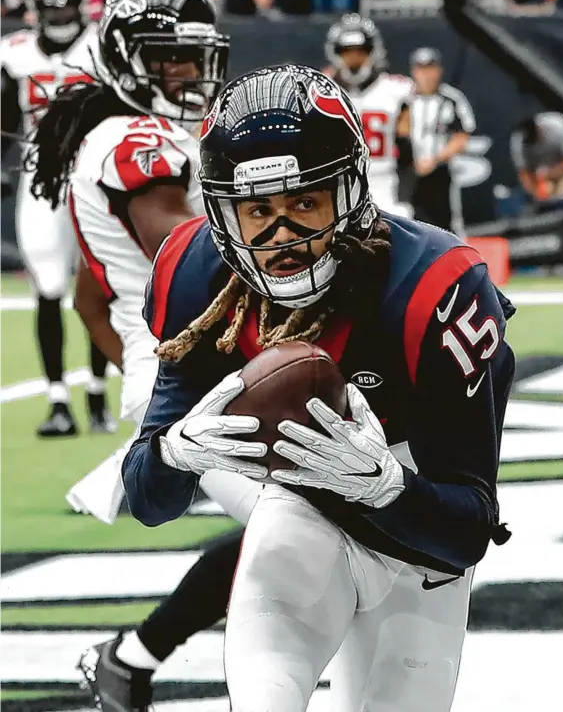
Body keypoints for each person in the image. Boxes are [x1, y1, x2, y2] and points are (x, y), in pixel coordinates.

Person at [120, 64, 515, 712]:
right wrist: (175, 452)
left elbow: (465, 527)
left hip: (418, 529)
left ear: (351, 190)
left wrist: (386, 484)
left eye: (304, 201)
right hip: (305, 498)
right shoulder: (196, 277)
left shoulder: (431, 287)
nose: (283, 236)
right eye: (257, 211)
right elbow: (149, 499)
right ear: (223, 215)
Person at [29, 0, 260, 712]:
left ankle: (131, 657)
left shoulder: (134, 132)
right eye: (170, 59)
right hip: (200, 379)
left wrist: (141, 352)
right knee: (309, 536)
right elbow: (195, 256)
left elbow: (88, 298)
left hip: (194, 368)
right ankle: (137, 659)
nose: (189, 74)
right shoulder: (133, 141)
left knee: (306, 536)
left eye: (195, 57)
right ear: (129, 58)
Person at [1, 0, 115, 437]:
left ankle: (96, 392)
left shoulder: (102, 49)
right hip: (39, 179)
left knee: (99, 284)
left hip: (92, 176)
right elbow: (5, 114)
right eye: (52, 6)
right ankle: (58, 401)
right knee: (48, 285)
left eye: (65, 4)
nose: (60, 14)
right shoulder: (15, 53)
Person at [324, 13, 413, 217]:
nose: (354, 60)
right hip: (336, 183)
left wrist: (406, 196)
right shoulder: (321, 89)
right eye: (347, 52)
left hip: (383, 184)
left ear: (374, 52)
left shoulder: (396, 90)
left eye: (360, 52)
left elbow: (409, 153)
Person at [405, 46, 476, 236]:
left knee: (448, 224)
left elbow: (462, 137)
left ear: (439, 70)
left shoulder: (451, 99)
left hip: (440, 174)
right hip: (408, 174)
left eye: (431, 68)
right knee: (409, 223)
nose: (427, 75)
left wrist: (436, 159)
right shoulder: (404, 98)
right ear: (414, 72)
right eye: (422, 69)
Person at [510, 112, 563, 209]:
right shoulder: (518, 140)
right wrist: (536, 192)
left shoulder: (557, 125)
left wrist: (551, 173)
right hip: (543, 178)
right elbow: (524, 173)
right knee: (545, 195)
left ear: (538, 128)